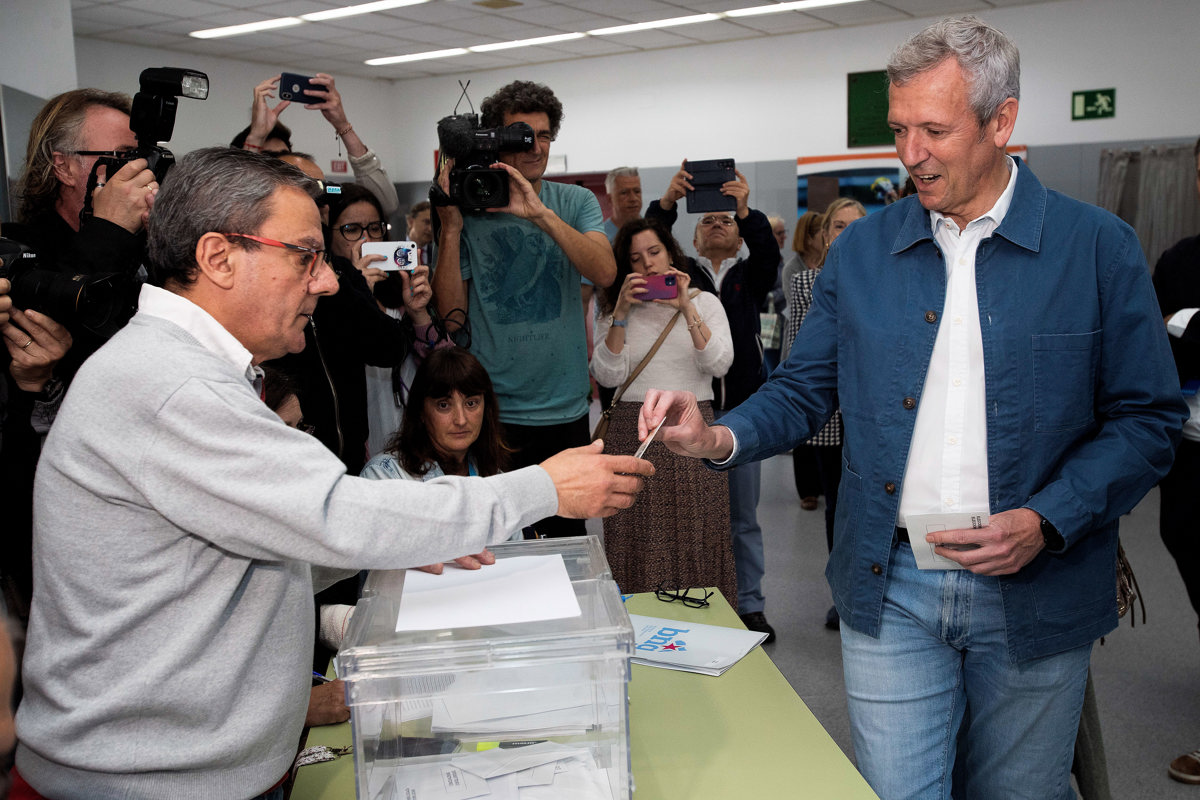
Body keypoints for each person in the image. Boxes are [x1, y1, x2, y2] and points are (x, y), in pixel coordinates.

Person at [637, 16, 1186, 799]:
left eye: (935, 129)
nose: (910, 154)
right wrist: (718, 433)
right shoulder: (863, 251)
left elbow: (1147, 420)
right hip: (890, 583)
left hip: (1037, 588)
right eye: (899, 129)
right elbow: (803, 388)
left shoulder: (1097, 248)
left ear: (1002, 122)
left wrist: (1047, 518)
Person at [12, 147, 652, 800]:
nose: (325, 282)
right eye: (304, 256)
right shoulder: (171, 386)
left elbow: (234, 556)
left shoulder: (180, 370)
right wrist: (543, 487)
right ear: (217, 258)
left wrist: (405, 547)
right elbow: (335, 515)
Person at [432, 80, 616, 538]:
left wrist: (539, 214)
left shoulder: (574, 202)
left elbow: (605, 272)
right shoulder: (471, 205)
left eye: (545, 135)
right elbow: (451, 314)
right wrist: (451, 227)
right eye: (521, 135)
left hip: (565, 406)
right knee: (498, 541)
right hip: (495, 410)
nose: (536, 146)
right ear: (494, 139)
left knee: (565, 540)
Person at [645, 162, 780, 641]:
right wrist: (666, 203)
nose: (718, 223)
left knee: (743, 517)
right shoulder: (683, 278)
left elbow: (766, 250)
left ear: (739, 235)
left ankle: (751, 605)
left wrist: (746, 209)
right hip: (691, 410)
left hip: (742, 411)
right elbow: (648, 244)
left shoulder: (752, 275)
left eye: (727, 220)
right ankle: (698, 594)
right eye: (708, 220)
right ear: (693, 240)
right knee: (694, 514)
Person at [591, 218, 735, 605]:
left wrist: (686, 306)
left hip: (691, 428)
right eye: (635, 259)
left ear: (672, 252)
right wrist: (621, 310)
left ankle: (705, 623)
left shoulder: (705, 302)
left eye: (654, 252)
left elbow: (719, 363)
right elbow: (606, 374)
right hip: (631, 430)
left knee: (697, 530)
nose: (648, 265)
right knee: (633, 530)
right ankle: (638, 626)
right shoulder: (610, 308)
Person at [783, 197, 865, 631]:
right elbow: (801, 356)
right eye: (838, 225)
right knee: (838, 505)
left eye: (856, 224)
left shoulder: (889, 283)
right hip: (834, 414)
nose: (847, 232)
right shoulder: (805, 284)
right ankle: (844, 593)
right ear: (825, 235)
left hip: (878, 417)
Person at [1150, 132, 1200, 786]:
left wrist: (1187, 323)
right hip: (1190, 450)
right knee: (1183, 540)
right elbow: (1154, 344)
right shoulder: (1182, 258)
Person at [236, 73, 400, 217]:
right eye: (269, 158)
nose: (281, 164)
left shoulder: (321, 208)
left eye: (284, 154)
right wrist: (254, 140)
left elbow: (383, 203)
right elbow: (240, 200)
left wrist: (342, 126)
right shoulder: (254, 217)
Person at [781, 209, 826, 513]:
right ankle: (806, 489)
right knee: (802, 421)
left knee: (828, 424)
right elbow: (795, 307)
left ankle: (823, 483)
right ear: (809, 236)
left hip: (825, 345)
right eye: (821, 230)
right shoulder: (792, 268)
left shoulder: (829, 262)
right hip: (800, 343)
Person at [406, 200, 434, 266]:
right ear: (411, 222)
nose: (430, 229)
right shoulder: (395, 249)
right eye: (427, 222)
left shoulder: (438, 255)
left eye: (433, 225)